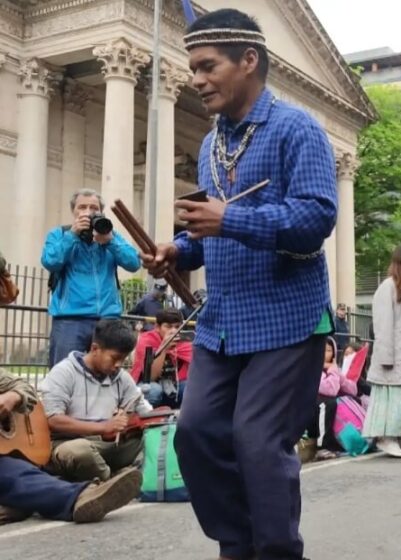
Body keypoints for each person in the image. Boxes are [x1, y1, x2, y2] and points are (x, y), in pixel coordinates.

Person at [140, 9, 338, 559]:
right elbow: (211, 232)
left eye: (207, 66)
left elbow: (317, 219)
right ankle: (237, 545)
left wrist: (231, 219)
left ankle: (274, 552)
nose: (196, 79)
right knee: (197, 434)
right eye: (192, 67)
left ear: (248, 60)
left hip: (287, 318)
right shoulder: (210, 146)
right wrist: (178, 248)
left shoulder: (299, 130)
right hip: (222, 324)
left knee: (257, 442)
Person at [0, 369, 143, 525]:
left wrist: (13, 396)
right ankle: (78, 496)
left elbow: (25, 388)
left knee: (18, 472)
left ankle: (75, 495)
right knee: (13, 474)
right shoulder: (66, 372)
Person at [40, 319, 152, 482]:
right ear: (95, 349)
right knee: (79, 451)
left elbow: (143, 408)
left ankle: (109, 477)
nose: (119, 364)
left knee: (153, 438)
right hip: (69, 443)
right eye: (115, 358)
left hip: (110, 444)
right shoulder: (64, 372)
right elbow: (53, 419)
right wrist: (103, 427)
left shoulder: (122, 377)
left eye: (124, 359)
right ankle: (110, 481)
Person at [41, 188, 140, 367]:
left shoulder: (111, 236)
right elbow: (50, 261)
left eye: (94, 207)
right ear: (74, 211)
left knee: (106, 376)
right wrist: (72, 236)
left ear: (101, 212)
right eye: (82, 207)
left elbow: (133, 263)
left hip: (108, 320)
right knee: (65, 374)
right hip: (70, 320)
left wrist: (110, 241)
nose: (88, 212)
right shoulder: (60, 234)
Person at [362, 245, 401, 458]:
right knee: (397, 393)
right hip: (394, 350)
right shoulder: (388, 287)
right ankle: (386, 437)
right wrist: (385, 355)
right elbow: (382, 324)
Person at [129, 309, 192, 407]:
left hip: (175, 385)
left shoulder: (185, 342)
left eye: (177, 327)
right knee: (153, 390)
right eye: (168, 326)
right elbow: (151, 377)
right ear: (157, 327)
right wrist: (164, 348)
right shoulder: (147, 340)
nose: (173, 331)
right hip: (150, 384)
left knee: (192, 387)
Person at [309, 338, 358, 461]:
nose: (325, 353)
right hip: (309, 412)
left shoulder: (334, 369)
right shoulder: (312, 368)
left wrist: (337, 373)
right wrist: (333, 370)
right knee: (326, 402)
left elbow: (353, 390)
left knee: (347, 400)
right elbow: (330, 389)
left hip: (320, 412)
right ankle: (322, 447)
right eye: (322, 350)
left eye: (329, 350)